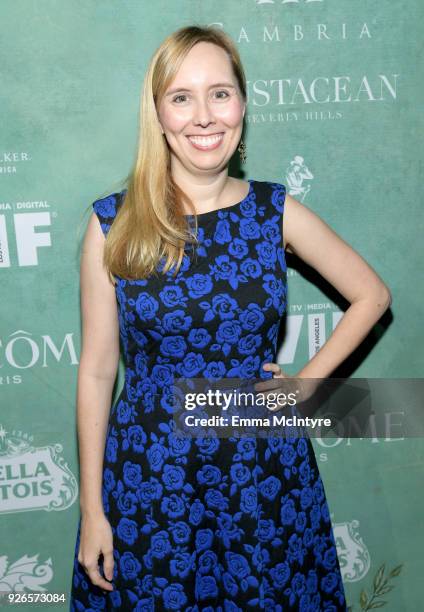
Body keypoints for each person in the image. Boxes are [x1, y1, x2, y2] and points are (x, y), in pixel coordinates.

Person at [69, 24, 391, 611]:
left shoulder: (274, 211)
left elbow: (371, 295)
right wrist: (92, 509)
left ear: (241, 104)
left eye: (219, 92)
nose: (204, 116)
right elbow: (95, 373)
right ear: (159, 114)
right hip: (151, 476)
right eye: (181, 97)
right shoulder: (114, 223)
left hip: (262, 469)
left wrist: (304, 385)